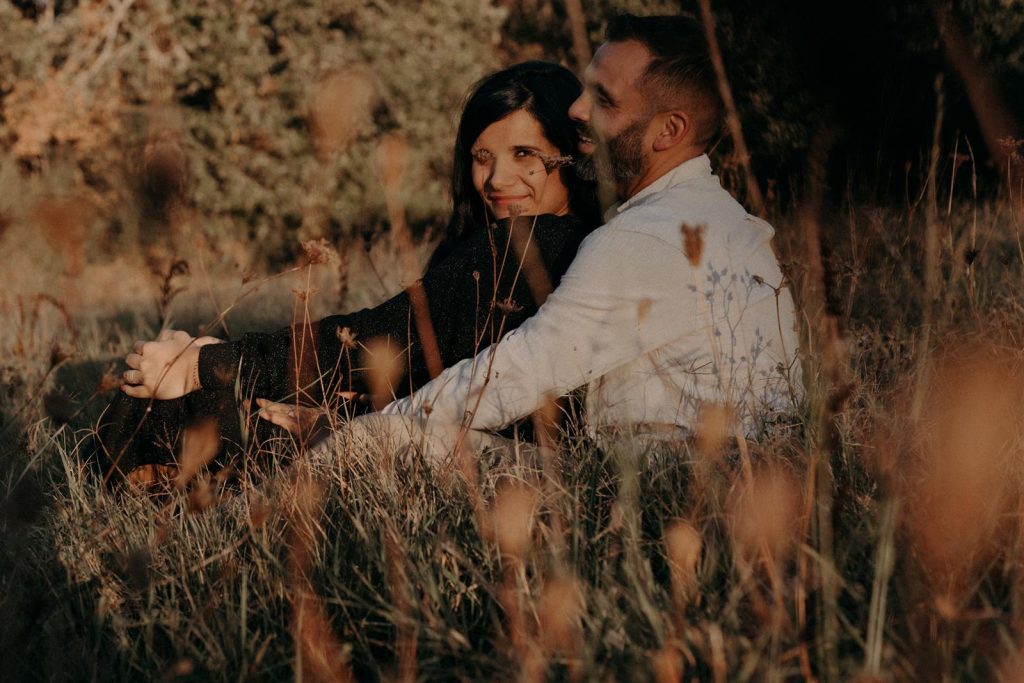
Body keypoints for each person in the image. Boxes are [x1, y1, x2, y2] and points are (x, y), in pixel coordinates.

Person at [94, 61, 600, 481]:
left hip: (472, 462)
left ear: (573, 157)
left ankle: (135, 502)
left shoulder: (537, 241)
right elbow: (424, 365)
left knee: (171, 407)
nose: (497, 178)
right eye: (482, 156)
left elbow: (381, 340)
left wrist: (208, 365)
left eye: (525, 154)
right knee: (191, 401)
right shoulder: (540, 244)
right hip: (414, 433)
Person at [350, 14, 801, 456]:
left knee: (382, 440)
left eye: (603, 101)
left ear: (669, 130)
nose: (576, 110)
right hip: (704, 472)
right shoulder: (708, 214)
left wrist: (366, 431)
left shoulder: (648, 238)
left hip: (680, 490)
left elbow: (518, 374)